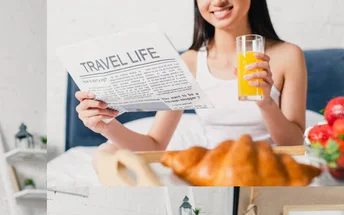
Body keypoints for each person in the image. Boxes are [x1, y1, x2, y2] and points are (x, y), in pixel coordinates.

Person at [76, 0, 307, 156]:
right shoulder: (190, 62)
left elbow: (294, 145)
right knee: (106, 154)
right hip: (216, 172)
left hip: (271, 170)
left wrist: (265, 103)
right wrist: (104, 125)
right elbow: (154, 146)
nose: (217, 1)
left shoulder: (288, 55)